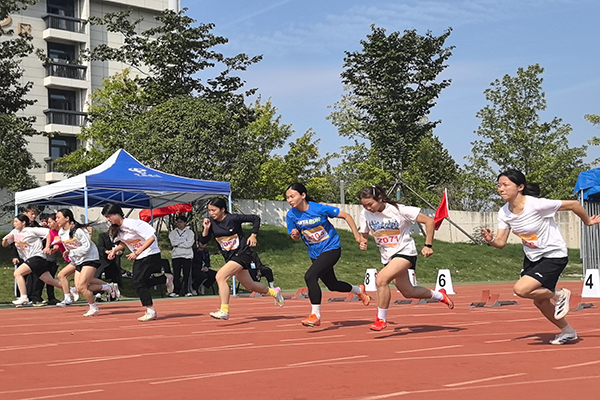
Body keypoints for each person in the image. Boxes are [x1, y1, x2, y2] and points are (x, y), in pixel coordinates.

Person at [481, 169, 600, 345]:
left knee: (521, 289)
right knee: (540, 301)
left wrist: (588, 221)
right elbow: (501, 243)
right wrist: (491, 240)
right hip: (533, 257)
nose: (501, 189)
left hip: (553, 254)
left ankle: (559, 294)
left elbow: (574, 204)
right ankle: (568, 331)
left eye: (505, 185)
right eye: (499, 185)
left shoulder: (536, 205)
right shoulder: (504, 212)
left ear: (520, 187)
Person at [358, 185, 454, 331]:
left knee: (381, 279)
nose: (368, 208)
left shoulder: (399, 210)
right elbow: (364, 234)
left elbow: (430, 221)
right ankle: (440, 295)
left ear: (380, 198)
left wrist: (428, 245)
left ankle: (381, 319)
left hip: (405, 252)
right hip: (388, 256)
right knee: (408, 292)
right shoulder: (365, 214)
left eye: (370, 204)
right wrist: (363, 241)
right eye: (364, 205)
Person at [285, 183, 370, 327]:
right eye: (287, 198)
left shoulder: (318, 208)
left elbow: (347, 216)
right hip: (315, 252)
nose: (289, 200)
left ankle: (315, 315)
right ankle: (358, 290)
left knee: (310, 276)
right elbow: (295, 236)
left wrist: (357, 237)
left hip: (331, 248)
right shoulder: (291, 215)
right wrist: (295, 235)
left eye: (292, 196)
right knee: (332, 285)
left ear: (303, 195)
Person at [198, 197, 285, 320]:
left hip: (243, 254)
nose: (211, 213)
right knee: (250, 285)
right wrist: (206, 229)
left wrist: (253, 235)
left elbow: (255, 218)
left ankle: (224, 310)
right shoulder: (212, 223)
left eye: (214, 210)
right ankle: (274, 292)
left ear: (222, 209)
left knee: (220, 276)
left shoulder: (233, 218)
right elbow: (202, 243)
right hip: (230, 257)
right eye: (209, 211)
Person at [102, 203, 174, 322]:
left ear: (117, 214)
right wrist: (114, 250)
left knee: (139, 282)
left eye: (109, 216)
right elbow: (125, 242)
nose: (108, 219)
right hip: (140, 256)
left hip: (151, 254)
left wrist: (137, 252)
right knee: (137, 283)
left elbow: (151, 238)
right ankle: (164, 280)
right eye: (106, 217)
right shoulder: (118, 229)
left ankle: (150, 311)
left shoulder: (132, 224)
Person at [55, 209, 117, 317]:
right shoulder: (61, 232)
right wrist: (69, 254)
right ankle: (107, 287)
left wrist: (72, 252)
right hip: (78, 260)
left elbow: (87, 246)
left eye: (58, 217)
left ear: (67, 218)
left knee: (82, 286)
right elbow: (69, 247)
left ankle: (93, 307)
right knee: (79, 288)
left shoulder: (78, 230)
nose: (56, 220)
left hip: (90, 258)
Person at [2, 214, 63, 306]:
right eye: (14, 222)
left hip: (37, 257)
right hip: (30, 259)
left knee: (18, 273)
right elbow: (5, 244)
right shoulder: (14, 232)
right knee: (49, 281)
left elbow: (49, 233)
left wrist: (47, 247)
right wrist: (5, 240)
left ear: (23, 222)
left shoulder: (31, 230)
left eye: (16, 222)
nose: (14, 224)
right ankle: (72, 289)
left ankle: (23, 297)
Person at [168, 215, 195, 297]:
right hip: (176, 255)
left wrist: (179, 243)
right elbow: (173, 243)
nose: (179, 224)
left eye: (181, 222)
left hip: (187, 256)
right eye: (178, 222)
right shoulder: (173, 233)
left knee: (186, 274)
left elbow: (189, 244)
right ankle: (176, 291)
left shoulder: (190, 232)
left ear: (185, 223)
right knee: (176, 274)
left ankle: (186, 290)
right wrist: (183, 241)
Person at [95, 230, 124, 299]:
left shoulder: (120, 238)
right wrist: (107, 252)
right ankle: (98, 293)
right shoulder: (102, 236)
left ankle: (113, 293)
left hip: (114, 259)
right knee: (97, 275)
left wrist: (119, 252)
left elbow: (122, 247)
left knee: (115, 275)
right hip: (103, 259)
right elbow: (100, 247)